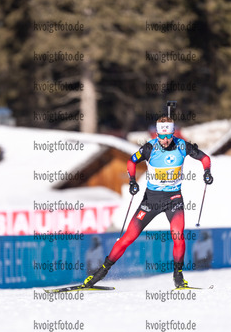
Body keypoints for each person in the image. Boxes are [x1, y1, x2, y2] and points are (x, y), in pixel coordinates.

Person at [83, 116, 213, 288]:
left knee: (178, 236)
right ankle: (98, 274)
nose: (165, 140)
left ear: (173, 133)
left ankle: (178, 277)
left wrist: (207, 172)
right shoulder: (150, 148)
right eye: (161, 136)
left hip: (173, 199)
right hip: (151, 199)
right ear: (157, 134)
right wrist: (132, 180)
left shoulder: (182, 146)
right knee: (128, 238)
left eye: (168, 136)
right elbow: (131, 161)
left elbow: (205, 158)